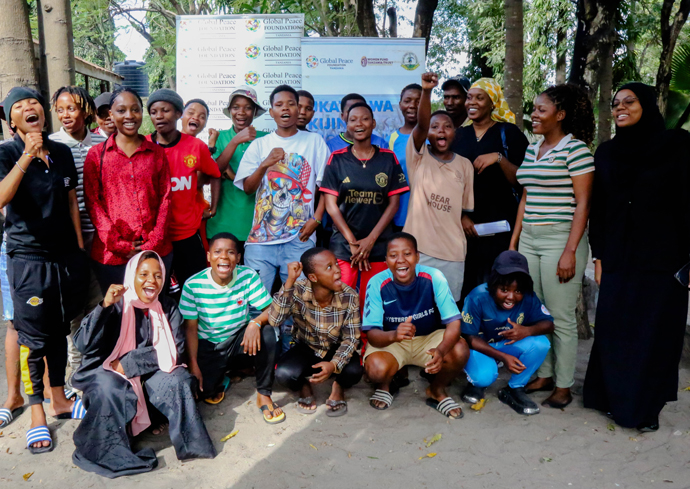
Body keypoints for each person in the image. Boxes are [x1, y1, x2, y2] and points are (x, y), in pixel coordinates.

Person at [584, 83, 690, 431]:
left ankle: (643, 409)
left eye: (629, 102)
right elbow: (598, 210)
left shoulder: (677, 145)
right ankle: (608, 398)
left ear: (646, 105)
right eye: (615, 104)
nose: (620, 108)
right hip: (618, 255)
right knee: (614, 329)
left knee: (654, 334)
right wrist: (598, 256)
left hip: (664, 259)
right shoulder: (607, 152)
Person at [72, 251, 216, 477]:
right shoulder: (116, 304)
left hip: (146, 372)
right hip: (109, 371)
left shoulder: (167, 307)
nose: (152, 280)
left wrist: (130, 363)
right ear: (131, 276)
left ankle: (189, 443)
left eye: (158, 275)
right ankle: (114, 446)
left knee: (177, 379)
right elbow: (83, 343)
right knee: (110, 388)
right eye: (144, 274)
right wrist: (105, 305)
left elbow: (175, 352)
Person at [0, 87, 89, 453]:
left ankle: (60, 399)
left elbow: (70, 200)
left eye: (33, 102)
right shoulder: (6, 153)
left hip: (65, 257)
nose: (29, 108)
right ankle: (36, 413)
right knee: (32, 340)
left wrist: (80, 251)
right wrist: (26, 156)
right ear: (11, 122)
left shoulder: (63, 151)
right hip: (28, 260)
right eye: (19, 107)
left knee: (57, 331)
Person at [509, 84, 595, 409]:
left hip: (561, 238)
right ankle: (543, 375)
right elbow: (526, 196)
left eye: (540, 109)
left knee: (560, 316)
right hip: (530, 237)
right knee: (537, 310)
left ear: (559, 115)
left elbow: (584, 203)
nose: (533, 114)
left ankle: (563, 384)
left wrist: (571, 250)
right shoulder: (533, 148)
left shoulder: (576, 150)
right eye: (533, 108)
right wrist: (515, 240)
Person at [234, 84, 330, 351]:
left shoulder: (314, 142)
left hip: (299, 239)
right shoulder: (260, 145)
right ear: (272, 111)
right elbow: (248, 188)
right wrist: (265, 163)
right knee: (256, 305)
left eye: (291, 104)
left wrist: (317, 218)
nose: (286, 108)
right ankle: (256, 358)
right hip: (260, 243)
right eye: (280, 104)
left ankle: (290, 357)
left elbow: (327, 187)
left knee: (298, 303)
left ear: (298, 109)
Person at [180, 232, 285, 423]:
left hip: (239, 338)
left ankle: (263, 393)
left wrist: (255, 323)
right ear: (209, 256)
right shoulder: (193, 285)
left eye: (230, 252)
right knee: (205, 392)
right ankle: (225, 375)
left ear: (238, 258)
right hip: (209, 344)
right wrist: (193, 365)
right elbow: (190, 330)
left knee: (268, 332)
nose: (223, 257)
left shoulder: (247, 276)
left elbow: (272, 310)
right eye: (217, 252)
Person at [363, 233, 469, 418]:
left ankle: (436, 390)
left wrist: (442, 350)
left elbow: (454, 323)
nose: (400, 261)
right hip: (392, 341)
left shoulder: (434, 276)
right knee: (376, 369)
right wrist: (394, 335)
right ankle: (386, 385)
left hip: (428, 338)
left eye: (407, 254)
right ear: (386, 259)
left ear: (417, 256)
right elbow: (372, 334)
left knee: (460, 350)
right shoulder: (377, 282)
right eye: (393, 255)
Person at [320, 102, 409, 312]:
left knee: (372, 301)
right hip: (344, 246)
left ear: (373, 123)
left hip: (378, 245)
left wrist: (370, 241)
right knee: (341, 301)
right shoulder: (337, 159)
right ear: (346, 124)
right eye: (353, 120)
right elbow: (331, 206)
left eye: (365, 119)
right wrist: (353, 242)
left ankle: (368, 344)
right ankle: (343, 342)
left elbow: (394, 203)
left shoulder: (388, 158)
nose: (359, 124)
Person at [84, 87, 173, 294]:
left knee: (152, 311)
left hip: (155, 251)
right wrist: (119, 244)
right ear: (111, 115)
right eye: (121, 110)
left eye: (135, 109)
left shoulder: (156, 153)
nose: (129, 116)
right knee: (119, 315)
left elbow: (166, 198)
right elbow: (93, 203)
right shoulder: (97, 155)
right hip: (112, 256)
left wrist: (154, 241)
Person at [49, 86, 107, 386]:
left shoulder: (103, 142)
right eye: (60, 109)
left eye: (71, 108)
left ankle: (94, 363)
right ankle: (75, 371)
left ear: (85, 109)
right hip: (69, 242)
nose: (65, 114)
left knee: (97, 303)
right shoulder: (52, 145)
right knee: (73, 308)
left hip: (101, 239)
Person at [452, 78, 529, 301]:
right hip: (464, 229)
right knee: (466, 289)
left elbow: (522, 181)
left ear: (493, 102)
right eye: (469, 97)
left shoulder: (509, 133)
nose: (471, 103)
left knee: (499, 287)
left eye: (479, 97)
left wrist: (499, 159)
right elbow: (448, 182)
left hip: (501, 229)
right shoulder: (458, 136)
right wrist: (462, 216)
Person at [403, 72, 474, 302]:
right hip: (418, 251)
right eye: (435, 127)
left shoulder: (465, 165)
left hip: (453, 254)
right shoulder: (418, 156)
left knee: (447, 312)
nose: (441, 130)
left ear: (455, 133)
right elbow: (421, 125)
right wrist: (426, 91)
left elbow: (464, 210)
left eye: (447, 126)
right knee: (416, 310)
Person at [271, 248, 362, 417]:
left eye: (336, 264)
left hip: (336, 347)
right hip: (306, 347)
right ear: (313, 277)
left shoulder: (349, 295)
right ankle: (304, 387)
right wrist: (289, 282)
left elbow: (351, 338)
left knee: (354, 372)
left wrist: (334, 364)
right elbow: (274, 320)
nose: (337, 269)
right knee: (284, 374)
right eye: (329, 267)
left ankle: (338, 386)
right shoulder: (297, 290)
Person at [461, 251, 553, 415]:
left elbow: (549, 324)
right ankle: (475, 383)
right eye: (504, 289)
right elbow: (470, 337)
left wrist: (527, 330)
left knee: (541, 343)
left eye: (517, 291)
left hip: (504, 345)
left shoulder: (528, 296)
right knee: (484, 377)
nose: (511, 297)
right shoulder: (477, 297)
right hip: (480, 347)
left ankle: (515, 388)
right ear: (493, 283)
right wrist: (503, 357)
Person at [146, 89, 221, 288]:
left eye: (166, 110)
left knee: (193, 289)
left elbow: (215, 174)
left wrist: (213, 207)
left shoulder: (195, 146)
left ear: (178, 113)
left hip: (186, 233)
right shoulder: (142, 145)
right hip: (153, 236)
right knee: (158, 291)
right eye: (154, 112)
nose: (159, 116)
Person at [206, 86, 268, 251]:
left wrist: (233, 175)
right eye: (236, 107)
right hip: (222, 221)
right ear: (230, 111)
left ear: (255, 112)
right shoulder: (219, 137)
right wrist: (235, 141)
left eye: (248, 108)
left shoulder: (266, 139)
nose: (241, 112)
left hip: (257, 224)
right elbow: (215, 171)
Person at [387, 83, 421, 230]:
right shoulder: (392, 139)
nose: (412, 105)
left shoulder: (434, 136)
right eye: (407, 101)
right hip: (400, 215)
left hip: (428, 215)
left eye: (419, 101)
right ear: (400, 105)